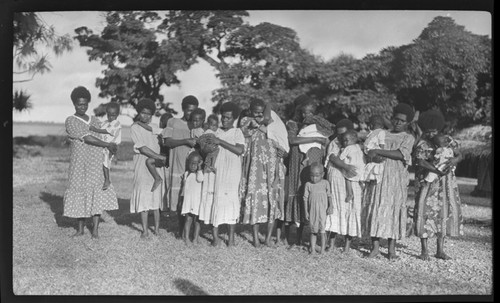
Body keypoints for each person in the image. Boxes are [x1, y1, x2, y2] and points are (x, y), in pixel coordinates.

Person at [63, 86, 119, 239]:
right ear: (74, 104)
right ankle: (80, 229)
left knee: (96, 194)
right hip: (79, 163)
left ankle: (95, 230)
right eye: (79, 104)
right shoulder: (71, 121)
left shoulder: (95, 120)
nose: (82, 107)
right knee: (79, 191)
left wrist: (112, 144)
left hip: (95, 161)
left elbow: (105, 135)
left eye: (85, 104)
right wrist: (107, 145)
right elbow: (87, 137)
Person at [362, 103, 416, 260]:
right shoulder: (382, 133)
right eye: (396, 119)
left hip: (396, 179)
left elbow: (401, 154)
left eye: (402, 121)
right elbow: (369, 149)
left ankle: (391, 249)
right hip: (378, 176)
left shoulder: (408, 137)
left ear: (408, 123)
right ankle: (375, 247)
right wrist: (372, 154)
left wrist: (378, 151)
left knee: (393, 210)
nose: (398, 123)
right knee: (376, 207)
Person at [413, 109, 463, 260]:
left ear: (439, 128)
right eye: (428, 131)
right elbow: (420, 161)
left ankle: (440, 250)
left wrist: (454, 160)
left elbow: (460, 154)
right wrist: (436, 170)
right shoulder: (422, 143)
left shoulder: (448, 139)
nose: (431, 134)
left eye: (433, 131)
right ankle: (424, 250)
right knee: (425, 211)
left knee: (444, 212)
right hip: (427, 182)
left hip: (446, 183)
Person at [239, 98, 288, 247]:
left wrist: (281, 152)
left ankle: (267, 238)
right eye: (256, 112)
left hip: (272, 167)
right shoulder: (246, 121)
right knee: (255, 198)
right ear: (250, 110)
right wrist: (263, 122)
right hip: (255, 168)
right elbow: (248, 129)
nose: (259, 114)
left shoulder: (274, 123)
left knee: (272, 199)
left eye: (262, 112)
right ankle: (255, 238)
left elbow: (282, 143)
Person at [284, 95, 328, 247]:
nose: (305, 115)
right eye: (302, 112)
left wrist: (319, 138)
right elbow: (293, 140)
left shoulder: (318, 124)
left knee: (310, 192)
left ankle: (313, 236)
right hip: (297, 160)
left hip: (312, 160)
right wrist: (315, 139)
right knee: (298, 192)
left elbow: (327, 135)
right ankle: (295, 236)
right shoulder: (293, 124)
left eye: (308, 112)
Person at [208, 101, 246, 247]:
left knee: (231, 201)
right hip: (218, 170)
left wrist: (220, 142)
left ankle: (231, 238)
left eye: (228, 118)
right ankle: (215, 238)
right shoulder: (216, 132)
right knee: (216, 200)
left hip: (232, 172)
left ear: (234, 118)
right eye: (223, 117)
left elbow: (239, 150)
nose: (224, 120)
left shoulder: (237, 132)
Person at [130, 98, 167, 238]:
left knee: (156, 198)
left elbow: (163, 132)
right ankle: (145, 230)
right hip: (142, 163)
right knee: (144, 197)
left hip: (156, 164)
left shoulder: (154, 126)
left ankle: (157, 229)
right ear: (139, 112)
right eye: (143, 113)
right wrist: (159, 156)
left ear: (152, 115)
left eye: (148, 114)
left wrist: (159, 157)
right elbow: (142, 148)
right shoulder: (134, 127)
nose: (145, 116)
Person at [163, 95, 198, 236]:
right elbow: (167, 142)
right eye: (189, 110)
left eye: (194, 110)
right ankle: (180, 228)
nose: (191, 113)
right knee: (179, 200)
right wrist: (185, 141)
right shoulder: (173, 122)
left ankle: (188, 231)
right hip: (177, 165)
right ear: (183, 109)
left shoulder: (197, 124)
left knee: (190, 199)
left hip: (192, 167)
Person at [68, 102, 122, 191]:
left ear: (117, 115)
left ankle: (107, 180)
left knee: (105, 163)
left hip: (111, 146)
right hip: (105, 146)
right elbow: (98, 127)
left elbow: (105, 131)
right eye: (109, 115)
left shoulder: (116, 123)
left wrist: (94, 129)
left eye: (113, 115)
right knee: (101, 162)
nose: (111, 117)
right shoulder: (105, 122)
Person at [324, 119, 358, 251]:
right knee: (335, 209)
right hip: (336, 177)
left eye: (343, 134)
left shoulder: (354, 146)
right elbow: (332, 157)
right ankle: (331, 243)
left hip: (350, 179)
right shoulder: (334, 143)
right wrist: (345, 166)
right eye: (338, 134)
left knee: (350, 209)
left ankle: (347, 245)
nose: (341, 137)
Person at [338, 129, 365, 252]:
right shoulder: (358, 148)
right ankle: (349, 240)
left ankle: (350, 240)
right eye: (343, 140)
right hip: (356, 174)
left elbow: (341, 157)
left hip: (353, 173)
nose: (344, 142)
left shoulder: (350, 148)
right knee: (353, 211)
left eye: (346, 140)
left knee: (353, 210)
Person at [304, 162, 333, 254]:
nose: (314, 178)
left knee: (323, 231)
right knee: (313, 231)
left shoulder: (325, 183)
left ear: (322, 174)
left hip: (323, 211)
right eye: (312, 176)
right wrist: (306, 212)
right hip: (312, 212)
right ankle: (312, 249)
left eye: (317, 175)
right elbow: (305, 199)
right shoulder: (308, 184)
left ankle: (323, 250)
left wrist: (330, 206)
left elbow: (329, 196)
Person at [180, 152, 204, 245]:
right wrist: (181, 198)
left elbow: (200, 179)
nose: (193, 166)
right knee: (188, 219)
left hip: (197, 201)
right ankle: (186, 238)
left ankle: (195, 238)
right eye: (191, 163)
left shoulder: (199, 174)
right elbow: (183, 188)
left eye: (196, 163)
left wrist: (199, 168)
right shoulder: (186, 174)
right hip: (188, 201)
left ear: (199, 164)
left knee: (197, 221)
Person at [362, 115, 387, 184]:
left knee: (376, 167)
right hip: (369, 153)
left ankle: (374, 180)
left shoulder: (381, 132)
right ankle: (370, 180)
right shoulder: (372, 133)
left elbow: (381, 143)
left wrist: (381, 153)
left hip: (376, 152)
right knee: (370, 167)